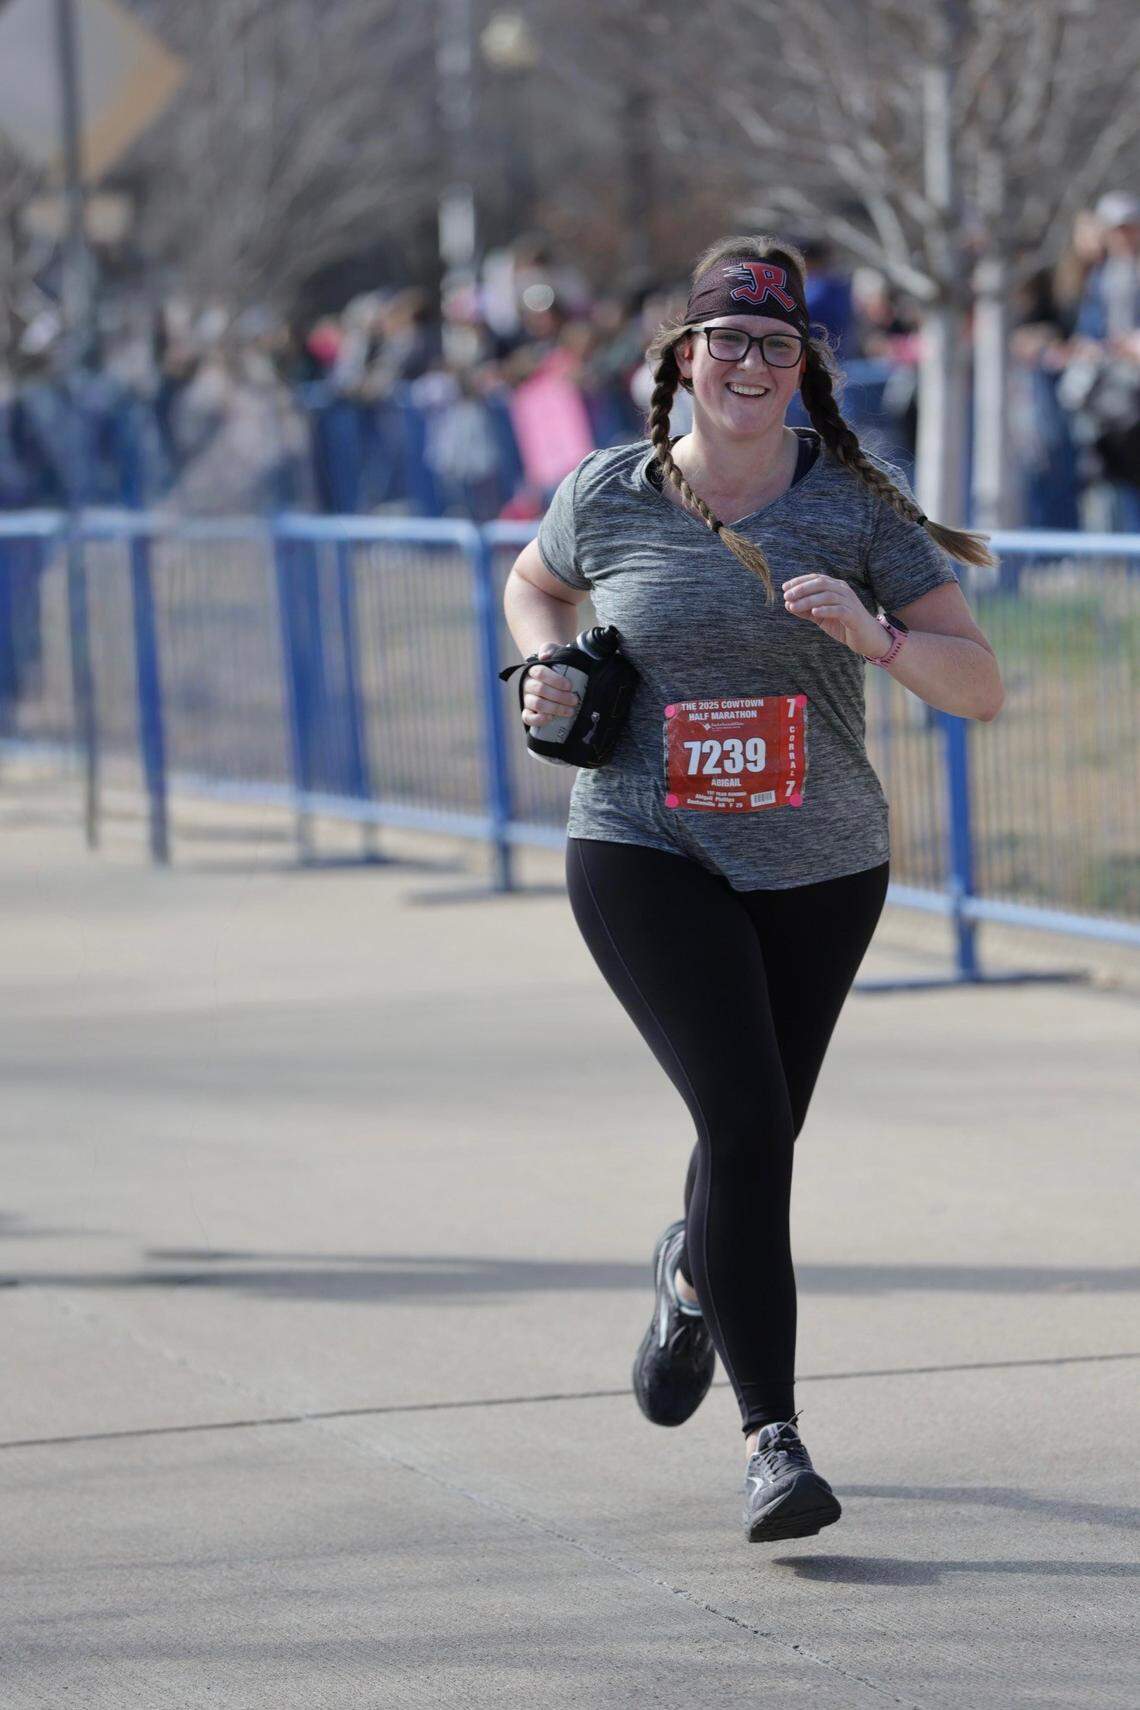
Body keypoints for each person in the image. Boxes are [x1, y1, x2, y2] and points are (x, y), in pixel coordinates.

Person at [501, 234, 1004, 1545]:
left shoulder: (852, 511)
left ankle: (687, 1272)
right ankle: (772, 1439)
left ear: (804, 369)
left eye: (775, 343)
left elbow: (979, 685)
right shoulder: (609, 491)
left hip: (821, 863)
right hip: (643, 845)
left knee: (756, 1128)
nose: (748, 363)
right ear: (685, 356)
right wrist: (548, 671)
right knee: (746, 1118)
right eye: (726, 338)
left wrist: (880, 637)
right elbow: (534, 583)